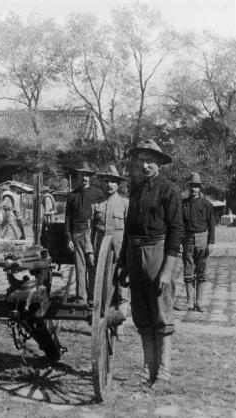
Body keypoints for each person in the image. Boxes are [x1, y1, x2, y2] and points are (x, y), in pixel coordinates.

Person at [119, 139, 184, 390]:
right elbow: (127, 230)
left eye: (150, 161)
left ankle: (164, 374)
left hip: (158, 253)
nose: (145, 165)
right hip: (135, 254)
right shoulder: (135, 192)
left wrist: (167, 269)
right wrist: (124, 263)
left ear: (159, 163)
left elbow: (177, 231)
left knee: (162, 313)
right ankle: (148, 369)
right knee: (142, 315)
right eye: (141, 161)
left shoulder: (169, 190)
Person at [91, 165, 129, 328]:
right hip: (101, 255)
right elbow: (90, 231)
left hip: (120, 254)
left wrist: (128, 255)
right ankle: (104, 321)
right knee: (104, 288)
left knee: (121, 288)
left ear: (118, 184)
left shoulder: (125, 203)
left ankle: (119, 324)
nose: (109, 185)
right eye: (106, 181)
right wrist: (90, 251)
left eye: (113, 182)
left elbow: (129, 232)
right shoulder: (96, 205)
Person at [65, 162, 104, 304]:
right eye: (82, 175)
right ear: (78, 176)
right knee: (80, 268)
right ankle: (81, 299)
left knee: (92, 266)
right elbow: (67, 219)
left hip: (92, 234)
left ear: (90, 178)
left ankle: (93, 298)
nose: (84, 178)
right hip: (77, 234)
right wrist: (69, 239)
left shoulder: (98, 194)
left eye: (87, 175)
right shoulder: (72, 196)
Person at [180, 172, 215, 312]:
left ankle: (199, 302)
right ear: (188, 187)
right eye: (192, 186)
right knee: (188, 272)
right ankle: (189, 302)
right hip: (188, 240)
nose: (194, 189)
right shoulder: (183, 204)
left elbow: (211, 224)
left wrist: (211, 242)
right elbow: (180, 224)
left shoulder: (206, 204)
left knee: (202, 272)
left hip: (202, 239)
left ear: (200, 188)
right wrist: (180, 242)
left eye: (196, 186)